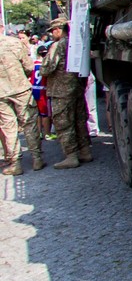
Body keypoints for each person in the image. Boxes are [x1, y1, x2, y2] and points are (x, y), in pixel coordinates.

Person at [41, 18, 90, 169]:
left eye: (53, 31)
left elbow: (47, 68)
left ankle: (71, 156)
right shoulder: (77, 42)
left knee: (64, 123)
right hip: (77, 88)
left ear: (58, 29)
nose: (52, 34)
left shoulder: (58, 45)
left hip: (61, 90)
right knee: (79, 120)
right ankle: (85, 151)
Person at [0, 24, 42, 175]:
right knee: (29, 122)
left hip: (1, 94)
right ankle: (37, 158)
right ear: (2, 27)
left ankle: (15, 163)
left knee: (8, 127)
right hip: (20, 89)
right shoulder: (14, 42)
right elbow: (29, 66)